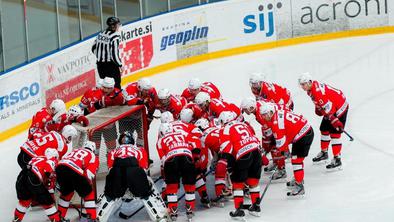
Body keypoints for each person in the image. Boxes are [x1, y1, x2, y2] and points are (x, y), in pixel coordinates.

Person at [98, 131, 167, 222]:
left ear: (120, 141)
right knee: (147, 192)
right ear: (132, 141)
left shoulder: (114, 151)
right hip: (134, 171)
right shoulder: (139, 150)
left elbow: (111, 169)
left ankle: (98, 216)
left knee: (109, 194)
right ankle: (159, 215)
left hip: (117, 171)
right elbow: (144, 168)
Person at [260, 103, 314, 196]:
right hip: (304, 132)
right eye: (262, 115)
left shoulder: (276, 123)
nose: (264, 117)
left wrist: (283, 151)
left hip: (303, 136)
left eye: (265, 114)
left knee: (296, 161)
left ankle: (299, 186)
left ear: (271, 112)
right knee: (297, 160)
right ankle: (298, 179)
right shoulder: (278, 113)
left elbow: (281, 143)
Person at [216, 111, 262, 219]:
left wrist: (230, 165)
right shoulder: (243, 124)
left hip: (242, 154)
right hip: (256, 152)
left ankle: (239, 210)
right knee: (253, 180)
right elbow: (254, 137)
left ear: (224, 121)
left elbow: (227, 148)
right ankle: (256, 207)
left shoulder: (225, 129)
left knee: (237, 183)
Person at [298, 73, 348, 169]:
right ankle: (324, 152)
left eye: (303, 84)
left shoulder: (317, 92)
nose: (302, 86)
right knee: (324, 129)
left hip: (340, 106)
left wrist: (334, 119)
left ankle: (337, 159)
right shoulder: (311, 88)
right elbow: (324, 103)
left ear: (309, 82)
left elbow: (329, 108)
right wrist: (319, 108)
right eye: (301, 84)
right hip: (332, 106)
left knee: (335, 133)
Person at [156, 123, 198, 221]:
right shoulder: (182, 134)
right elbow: (194, 144)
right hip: (187, 156)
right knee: (189, 185)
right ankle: (190, 209)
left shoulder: (160, 140)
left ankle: (173, 211)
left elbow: (163, 159)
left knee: (172, 187)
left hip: (171, 159)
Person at [240, 97, 285, 180]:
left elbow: (269, 132)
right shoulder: (258, 106)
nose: (245, 112)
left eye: (246, 110)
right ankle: (276, 162)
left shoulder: (261, 114)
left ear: (250, 107)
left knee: (274, 146)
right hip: (280, 119)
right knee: (272, 144)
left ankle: (281, 169)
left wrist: (265, 147)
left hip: (281, 122)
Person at [56, 141, 99, 221]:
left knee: (67, 193)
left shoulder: (75, 150)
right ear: (93, 149)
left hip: (60, 167)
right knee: (89, 193)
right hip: (73, 170)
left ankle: (59, 218)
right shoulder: (93, 156)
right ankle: (92, 218)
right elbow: (89, 175)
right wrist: (85, 188)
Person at [13, 153, 63, 222]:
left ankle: (16, 219)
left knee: (24, 201)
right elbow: (48, 173)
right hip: (33, 179)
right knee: (47, 202)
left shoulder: (37, 157)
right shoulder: (52, 160)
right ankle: (56, 220)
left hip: (21, 177)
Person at [92, 17, 123, 89]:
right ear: (113, 26)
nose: (119, 26)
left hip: (100, 65)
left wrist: (101, 56)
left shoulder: (101, 34)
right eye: (118, 24)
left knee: (105, 87)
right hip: (111, 66)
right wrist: (120, 65)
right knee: (116, 87)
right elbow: (114, 55)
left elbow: (93, 48)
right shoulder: (115, 37)